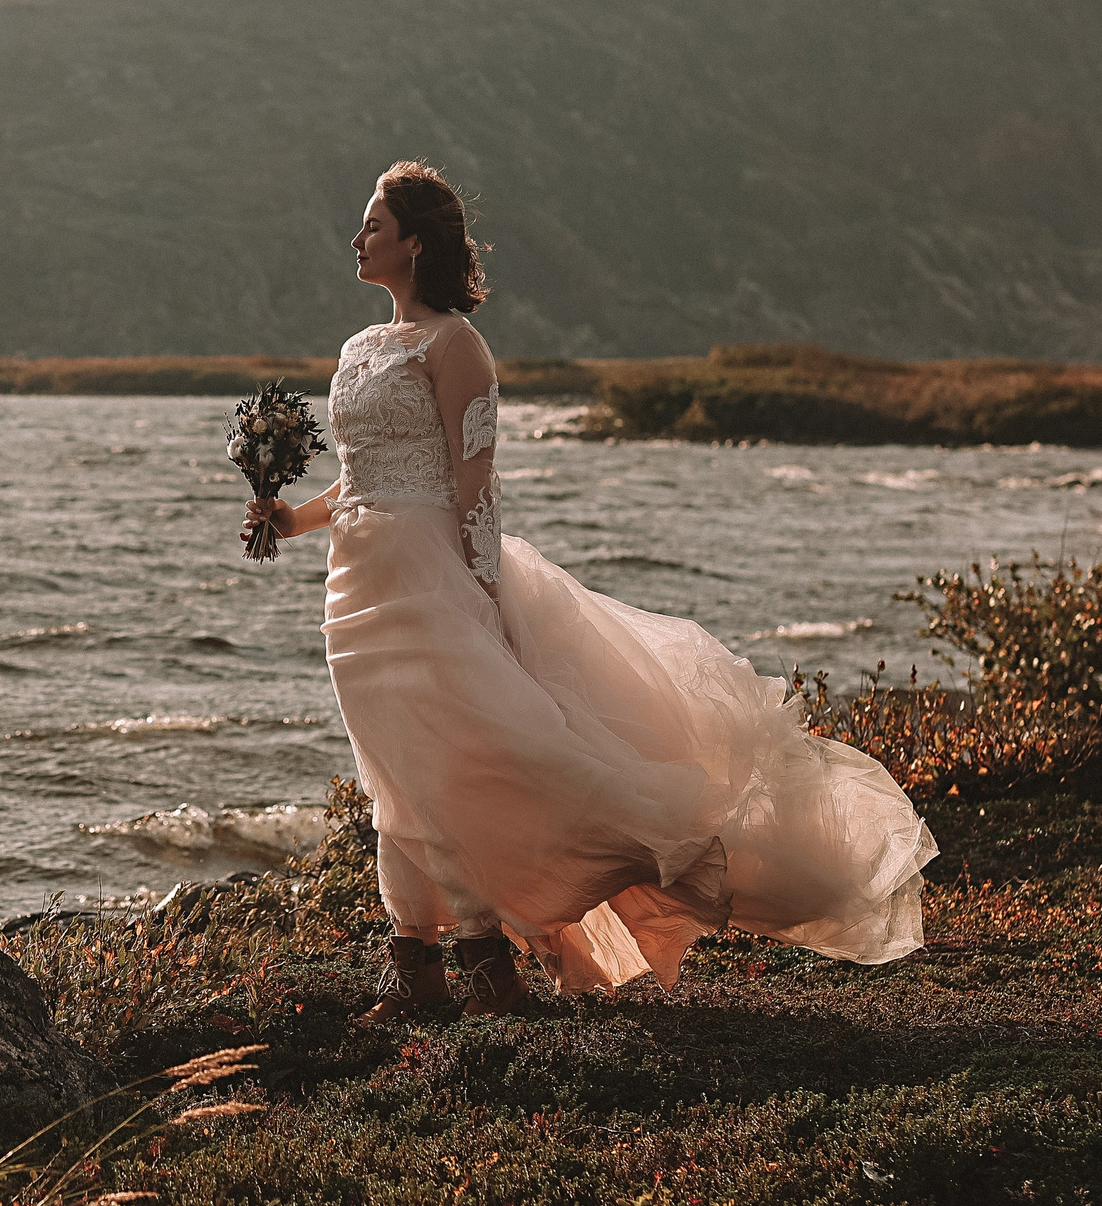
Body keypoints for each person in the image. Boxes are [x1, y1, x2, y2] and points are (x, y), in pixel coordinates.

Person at [244, 162, 935, 1023]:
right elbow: (357, 478)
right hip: (354, 583)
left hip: (430, 577)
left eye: (372, 226)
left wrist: (482, 588)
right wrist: (288, 517)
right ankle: (417, 967)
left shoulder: (457, 344)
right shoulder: (357, 349)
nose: (357, 239)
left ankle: (490, 957)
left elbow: (475, 481)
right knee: (392, 770)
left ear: (414, 243)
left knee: (457, 765)